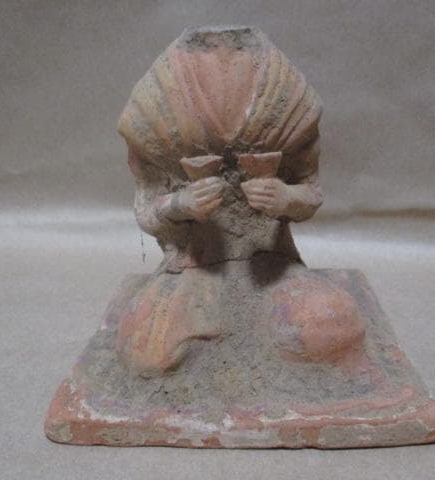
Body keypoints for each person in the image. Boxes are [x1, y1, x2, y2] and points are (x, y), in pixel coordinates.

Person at [115, 26, 364, 378]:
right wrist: (181, 204)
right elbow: (147, 209)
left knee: (329, 329)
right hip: (193, 269)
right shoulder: (154, 107)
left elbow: (311, 193)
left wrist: (285, 198)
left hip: (270, 265)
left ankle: (258, 338)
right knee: (149, 354)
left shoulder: (291, 101)